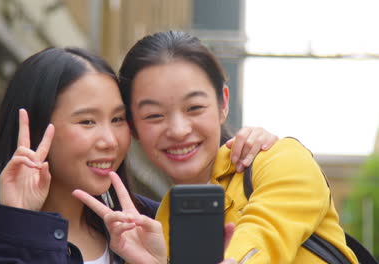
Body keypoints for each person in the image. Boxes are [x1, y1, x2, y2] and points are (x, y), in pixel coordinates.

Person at [0, 46, 276, 264]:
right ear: (39, 128)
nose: (110, 140)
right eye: (87, 121)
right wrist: (22, 228)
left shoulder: (154, 224)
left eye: (117, 120)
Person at [116, 30, 359, 263]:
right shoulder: (156, 230)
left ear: (223, 104)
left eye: (195, 108)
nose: (179, 130)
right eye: (154, 115)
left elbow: (265, 234)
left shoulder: (280, 160)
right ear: (133, 126)